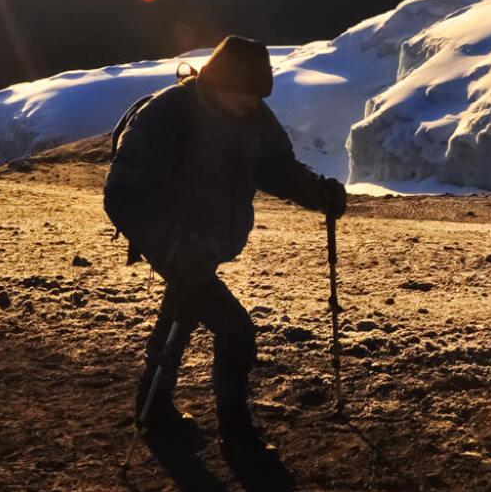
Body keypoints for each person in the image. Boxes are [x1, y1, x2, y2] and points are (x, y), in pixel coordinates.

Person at [104, 36, 348, 451]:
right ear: (215, 82)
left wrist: (316, 193)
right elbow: (123, 194)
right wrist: (173, 248)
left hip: (207, 242)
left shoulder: (250, 113)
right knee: (235, 330)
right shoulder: (168, 115)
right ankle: (235, 431)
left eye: (256, 99)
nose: (251, 107)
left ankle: (153, 406)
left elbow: (275, 167)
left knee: (181, 311)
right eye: (244, 98)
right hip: (175, 243)